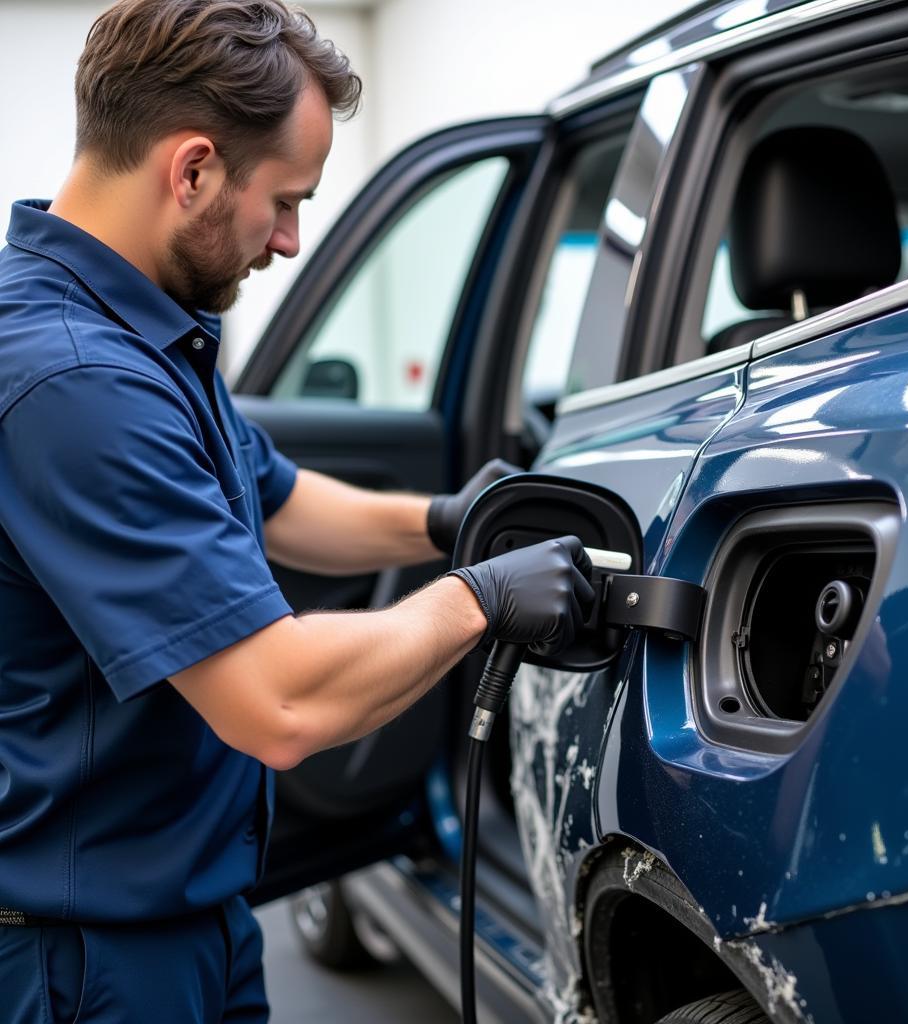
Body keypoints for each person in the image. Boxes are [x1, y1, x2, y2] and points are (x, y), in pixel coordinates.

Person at [0, 1, 594, 1021]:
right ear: (190, 171)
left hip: (187, 923)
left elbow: (273, 497)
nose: (288, 238)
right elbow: (279, 704)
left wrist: (450, 520)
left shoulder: (133, 320)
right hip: (86, 965)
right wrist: (481, 600)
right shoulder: (75, 380)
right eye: (284, 201)